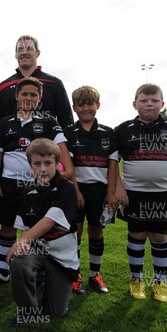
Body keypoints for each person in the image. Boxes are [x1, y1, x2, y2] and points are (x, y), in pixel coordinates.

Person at [0, 77, 74, 287]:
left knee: (31, 229)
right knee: (7, 227)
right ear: (16, 96)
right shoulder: (5, 122)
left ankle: (31, 270)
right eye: (24, 94)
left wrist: (67, 174)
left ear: (40, 98)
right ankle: (2, 271)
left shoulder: (49, 121)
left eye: (33, 94)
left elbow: (63, 153)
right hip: (10, 183)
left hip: (38, 187)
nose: (28, 98)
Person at [114, 83, 167, 302]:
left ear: (162, 103)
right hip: (134, 195)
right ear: (135, 104)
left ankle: (160, 283)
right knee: (137, 236)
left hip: (164, 194)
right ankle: (137, 280)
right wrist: (119, 187)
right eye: (143, 100)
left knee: (160, 237)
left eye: (153, 100)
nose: (149, 104)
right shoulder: (123, 130)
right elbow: (112, 162)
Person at [6, 138, 79, 326]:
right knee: (20, 262)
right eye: (37, 164)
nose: (43, 169)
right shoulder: (27, 192)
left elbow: (48, 223)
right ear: (30, 165)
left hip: (62, 255)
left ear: (57, 163)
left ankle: (44, 279)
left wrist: (18, 243)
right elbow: (25, 229)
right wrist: (22, 245)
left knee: (56, 312)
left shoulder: (67, 189)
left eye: (48, 163)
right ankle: (29, 311)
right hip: (38, 250)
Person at [65, 85, 119, 295]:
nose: (86, 108)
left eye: (90, 103)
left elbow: (113, 164)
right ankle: (75, 277)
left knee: (96, 232)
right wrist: (76, 191)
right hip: (76, 191)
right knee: (75, 234)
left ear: (98, 105)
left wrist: (111, 192)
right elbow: (68, 166)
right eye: (81, 104)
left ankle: (95, 275)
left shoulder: (108, 133)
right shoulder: (69, 132)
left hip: (100, 191)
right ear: (74, 107)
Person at [0, 35, 73, 131]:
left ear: (37, 53)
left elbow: (66, 119)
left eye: (29, 49)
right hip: (12, 144)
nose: (24, 52)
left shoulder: (54, 84)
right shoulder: (3, 87)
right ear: (16, 54)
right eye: (20, 49)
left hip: (46, 144)